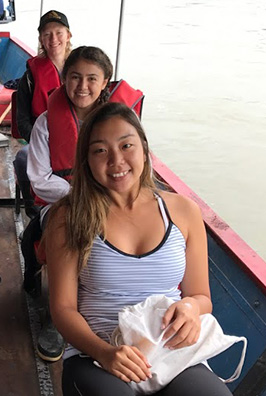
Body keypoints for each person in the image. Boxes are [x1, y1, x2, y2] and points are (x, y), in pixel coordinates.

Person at [44, 102, 231, 396]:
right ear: (87, 160)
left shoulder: (183, 211)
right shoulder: (69, 217)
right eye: (100, 151)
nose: (116, 161)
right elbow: (63, 309)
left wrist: (191, 308)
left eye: (126, 145)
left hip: (171, 353)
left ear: (143, 148)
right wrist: (106, 353)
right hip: (95, 355)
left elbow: (201, 296)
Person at [23, 46, 145, 363]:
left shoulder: (120, 123)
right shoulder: (47, 123)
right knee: (58, 238)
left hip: (116, 200)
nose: (82, 86)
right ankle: (56, 314)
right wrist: (84, 196)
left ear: (105, 82)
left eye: (92, 78)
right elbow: (39, 178)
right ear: (64, 80)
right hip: (63, 200)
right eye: (75, 77)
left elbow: (135, 165)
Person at [13, 10, 72, 218]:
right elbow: (22, 121)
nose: (53, 39)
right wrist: (42, 144)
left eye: (58, 32)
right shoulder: (30, 76)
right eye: (47, 34)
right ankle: (34, 210)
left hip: (76, 141)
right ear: (41, 39)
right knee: (22, 157)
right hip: (42, 141)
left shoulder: (80, 70)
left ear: (68, 35)